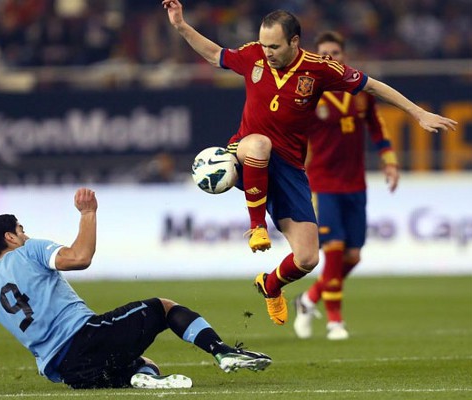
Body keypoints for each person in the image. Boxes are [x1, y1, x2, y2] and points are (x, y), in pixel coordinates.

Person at [161, 1, 457, 326]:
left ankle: (271, 285)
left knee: (307, 258)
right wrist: (180, 26)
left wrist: (418, 113)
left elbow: (371, 86)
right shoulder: (252, 56)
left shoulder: (319, 69)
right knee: (259, 144)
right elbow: (214, 54)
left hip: (289, 169)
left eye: (274, 46)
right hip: (246, 152)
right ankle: (256, 226)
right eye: (263, 44)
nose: (267, 51)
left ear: (294, 42)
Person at [0, 188, 271, 392]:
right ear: (10, 238)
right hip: (86, 338)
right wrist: (88, 213)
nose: (25, 235)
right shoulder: (29, 251)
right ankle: (221, 351)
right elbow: (80, 258)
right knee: (164, 307)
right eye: (21, 230)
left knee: (145, 364)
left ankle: (141, 377)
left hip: (70, 373)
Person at [293, 31, 400, 341]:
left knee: (353, 256)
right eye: (323, 54)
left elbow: (377, 128)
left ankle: (309, 298)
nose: (329, 59)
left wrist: (389, 160)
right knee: (335, 251)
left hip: (356, 184)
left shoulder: (361, 92)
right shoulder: (309, 95)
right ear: (317, 57)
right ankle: (334, 322)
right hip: (323, 184)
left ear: (343, 56)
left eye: (334, 53)